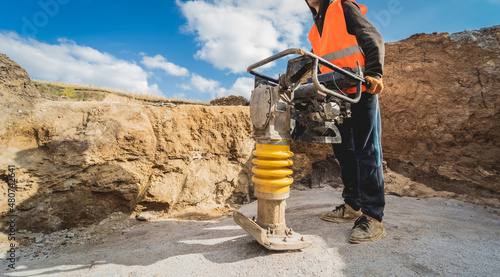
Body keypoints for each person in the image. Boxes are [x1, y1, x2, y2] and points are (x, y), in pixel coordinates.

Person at [305, 0, 386, 243]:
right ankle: (353, 206)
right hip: (336, 94)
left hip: (361, 88)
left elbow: (374, 38)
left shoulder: (343, 7)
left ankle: (373, 217)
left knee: (366, 151)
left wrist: (375, 74)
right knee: (344, 152)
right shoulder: (314, 30)